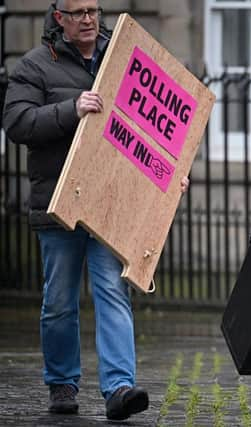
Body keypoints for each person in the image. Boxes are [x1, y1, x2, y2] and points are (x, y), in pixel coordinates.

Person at [2, 0, 189, 420]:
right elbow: (16, 123)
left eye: (93, 10)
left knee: (111, 289)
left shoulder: (122, 57)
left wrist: (171, 172)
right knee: (60, 301)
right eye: (78, 12)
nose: (88, 19)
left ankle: (119, 388)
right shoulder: (34, 66)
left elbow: (152, 128)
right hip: (59, 203)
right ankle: (63, 384)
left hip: (112, 203)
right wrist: (71, 109)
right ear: (59, 19)